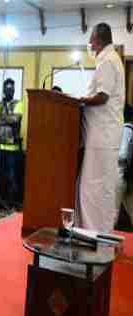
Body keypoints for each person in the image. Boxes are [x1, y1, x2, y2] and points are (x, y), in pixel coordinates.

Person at [78, 22, 125, 233]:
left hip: (102, 136)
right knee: (98, 188)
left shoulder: (108, 61)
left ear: (98, 39)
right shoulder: (110, 59)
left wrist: (82, 100)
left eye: (91, 38)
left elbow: (102, 96)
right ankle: (97, 233)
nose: (89, 43)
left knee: (93, 189)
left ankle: (93, 234)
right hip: (102, 136)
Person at [0, 78, 24, 210]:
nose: (9, 91)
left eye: (12, 89)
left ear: (14, 90)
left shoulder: (19, 103)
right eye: (7, 88)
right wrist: (7, 118)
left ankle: (10, 205)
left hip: (12, 147)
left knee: (11, 177)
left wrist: (2, 118)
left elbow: (16, 119)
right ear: (4, 90)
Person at [116, 104, 133, 225]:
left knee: (112, 212)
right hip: (131, 177)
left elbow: (122, 155)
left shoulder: (125, 130)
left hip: (120, 172)